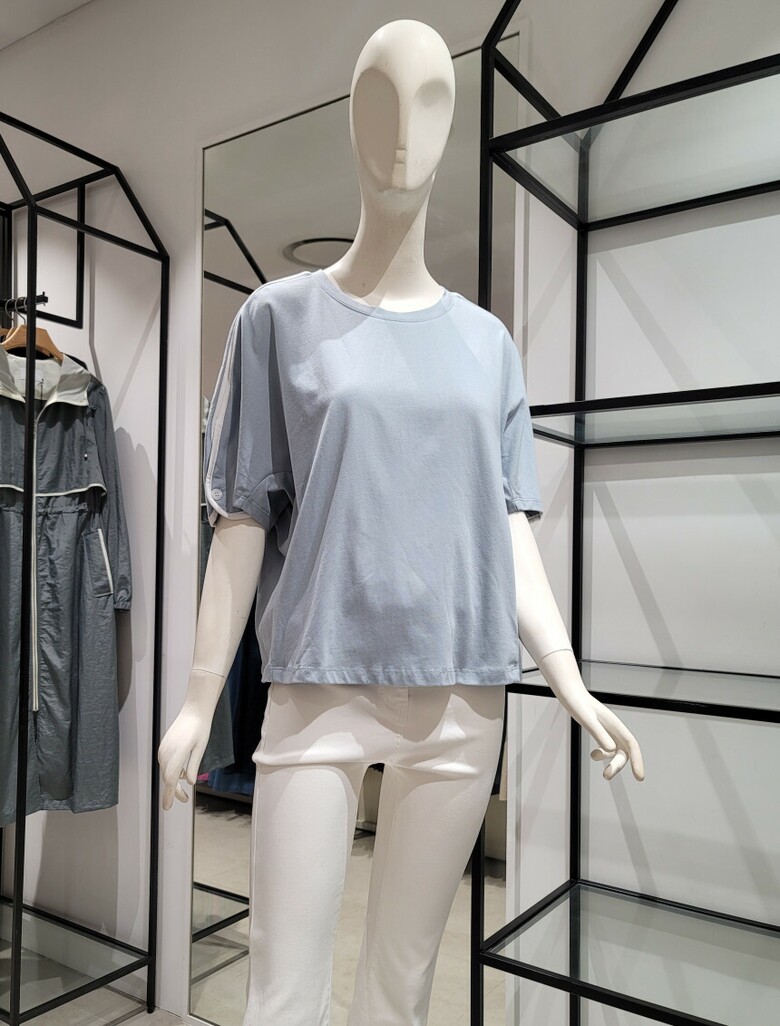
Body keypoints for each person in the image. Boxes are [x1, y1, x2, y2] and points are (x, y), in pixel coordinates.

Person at [158, 20, 644, 1026]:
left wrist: (569, 678)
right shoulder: (277, 317)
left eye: (429, 104)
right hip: (317, 687)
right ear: (349, 120)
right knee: (282, 993)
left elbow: (506, 527)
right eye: (379, 101)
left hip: (464, 695)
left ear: (454, 124)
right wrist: (200, 700)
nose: (401, 134)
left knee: (401, 992)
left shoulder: (488, 345)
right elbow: (240, 520)